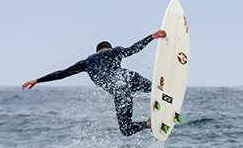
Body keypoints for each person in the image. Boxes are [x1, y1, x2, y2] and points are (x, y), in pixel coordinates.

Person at [22, 30, 167, 136]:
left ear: (96, 51)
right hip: (128, 77)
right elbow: (133, 50)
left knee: (126, 129)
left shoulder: (86, 62)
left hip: (118, 88)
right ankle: (159, 89)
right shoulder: (114, 52)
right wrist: (152, 37)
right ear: (108, 49)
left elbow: (62, 74)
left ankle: (149, 124)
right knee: (151, 88)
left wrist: (37, 80)